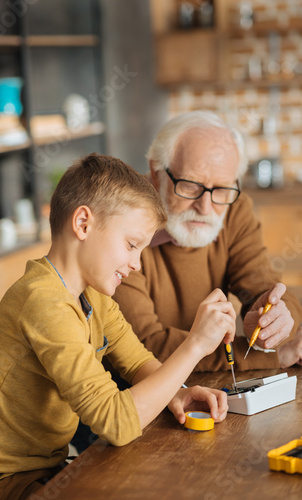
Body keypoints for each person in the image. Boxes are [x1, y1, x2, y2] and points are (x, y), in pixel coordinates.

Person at [0, 153, 236, 500]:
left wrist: (179, 393)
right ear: (83, 224)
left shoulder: (93, 296)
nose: (137, 264)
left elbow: (137, 361)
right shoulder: (44, 302)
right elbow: (117, 423)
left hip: (44, 468)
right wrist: (196, 345)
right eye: (131, 245)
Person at [113, 112, 302, 371]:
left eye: (222, 188)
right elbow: (143, 345)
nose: (205, 207)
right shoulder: (121, 220)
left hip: (209, 382)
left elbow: (264, 285)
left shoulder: (234, 208)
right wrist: (267, 357)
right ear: (157, 174)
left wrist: (275, 316)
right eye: (190, 186)